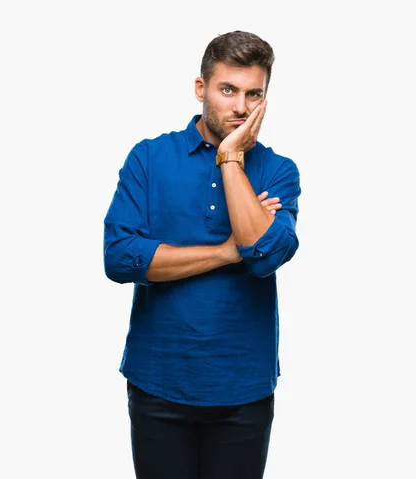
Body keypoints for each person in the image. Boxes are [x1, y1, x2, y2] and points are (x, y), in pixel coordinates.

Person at [102, 30, 301, 479]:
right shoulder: (149, 158)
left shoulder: (279, 170)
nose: (241, 107)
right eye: (228, 89)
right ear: (201, 89)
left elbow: (267, 255)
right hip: (159, 382)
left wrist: (231, 157)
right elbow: (119, 258)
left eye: (254, 94)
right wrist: (229, 251)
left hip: (243, 389)